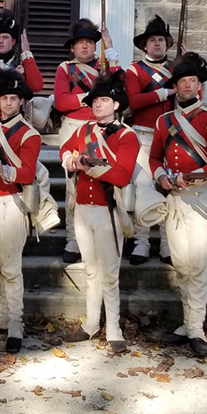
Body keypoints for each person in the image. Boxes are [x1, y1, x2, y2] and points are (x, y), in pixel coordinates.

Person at [149, 53, 207, 357]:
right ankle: (187, 323)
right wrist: (160, 176)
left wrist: (191, 178)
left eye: (192, 80)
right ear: (176, 86)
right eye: (183, 81)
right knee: (181, 263)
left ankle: (196, 328)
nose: (188, 85)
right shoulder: (164, 121)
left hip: (200, 196)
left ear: (199, 85)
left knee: (198, 263)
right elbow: (155, 157)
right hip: (174, 198)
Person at [60, 72, 138, 354]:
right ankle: (91, 324)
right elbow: (66, 150)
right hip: (83, 208)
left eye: (104, 100)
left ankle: (114, 328)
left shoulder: (127, 136)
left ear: (116, 105)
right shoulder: (83, 130)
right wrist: (71, 161)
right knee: (91, 270)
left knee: (110, 273)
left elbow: (122, 174)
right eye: (95, 100)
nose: (97, 104)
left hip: (109, 209)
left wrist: (89, 167)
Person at [0, 9, 44, 264]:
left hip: (17, 131)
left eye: (6, 37)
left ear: (13, 41)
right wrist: (12, 80)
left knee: (19, 181)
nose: (1, 41)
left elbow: (36, 85)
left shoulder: (21, 62)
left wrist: (27, 55)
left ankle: (16, 235)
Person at [0, 71, 40, 353]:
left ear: (21, 101)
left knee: (12, 268)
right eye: (4, 98)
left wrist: (3, 170)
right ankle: (4, 316)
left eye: (13, 98)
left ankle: (16, 323)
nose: (8, 103)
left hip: (14, 203)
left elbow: (27, 173)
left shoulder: (30, 134)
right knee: (1, 265)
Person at [53, 20, 120, 264]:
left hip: (103, 127)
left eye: (90, 42)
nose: (85, 46)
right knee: (73, 185)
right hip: (74, 127)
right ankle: (73, 239)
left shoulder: (103, 67)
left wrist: (110, 51)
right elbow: (62, 102)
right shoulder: (65, 69)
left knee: (105, 178)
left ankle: (104, 235)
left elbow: (119, 85)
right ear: (72, 47)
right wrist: (90, 97)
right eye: (80, 42)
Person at [126, 15, 176, 266]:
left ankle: (167, 244)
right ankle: (141, 243)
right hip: (143, 136)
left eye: (161, 40)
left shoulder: (177, 69)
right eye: (152, 40)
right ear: (144, 45)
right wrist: (166, 91)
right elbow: (134, 101)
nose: (157, 44)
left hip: (171, 138)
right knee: (143, 189)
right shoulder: (134, 70)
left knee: (169, 188)